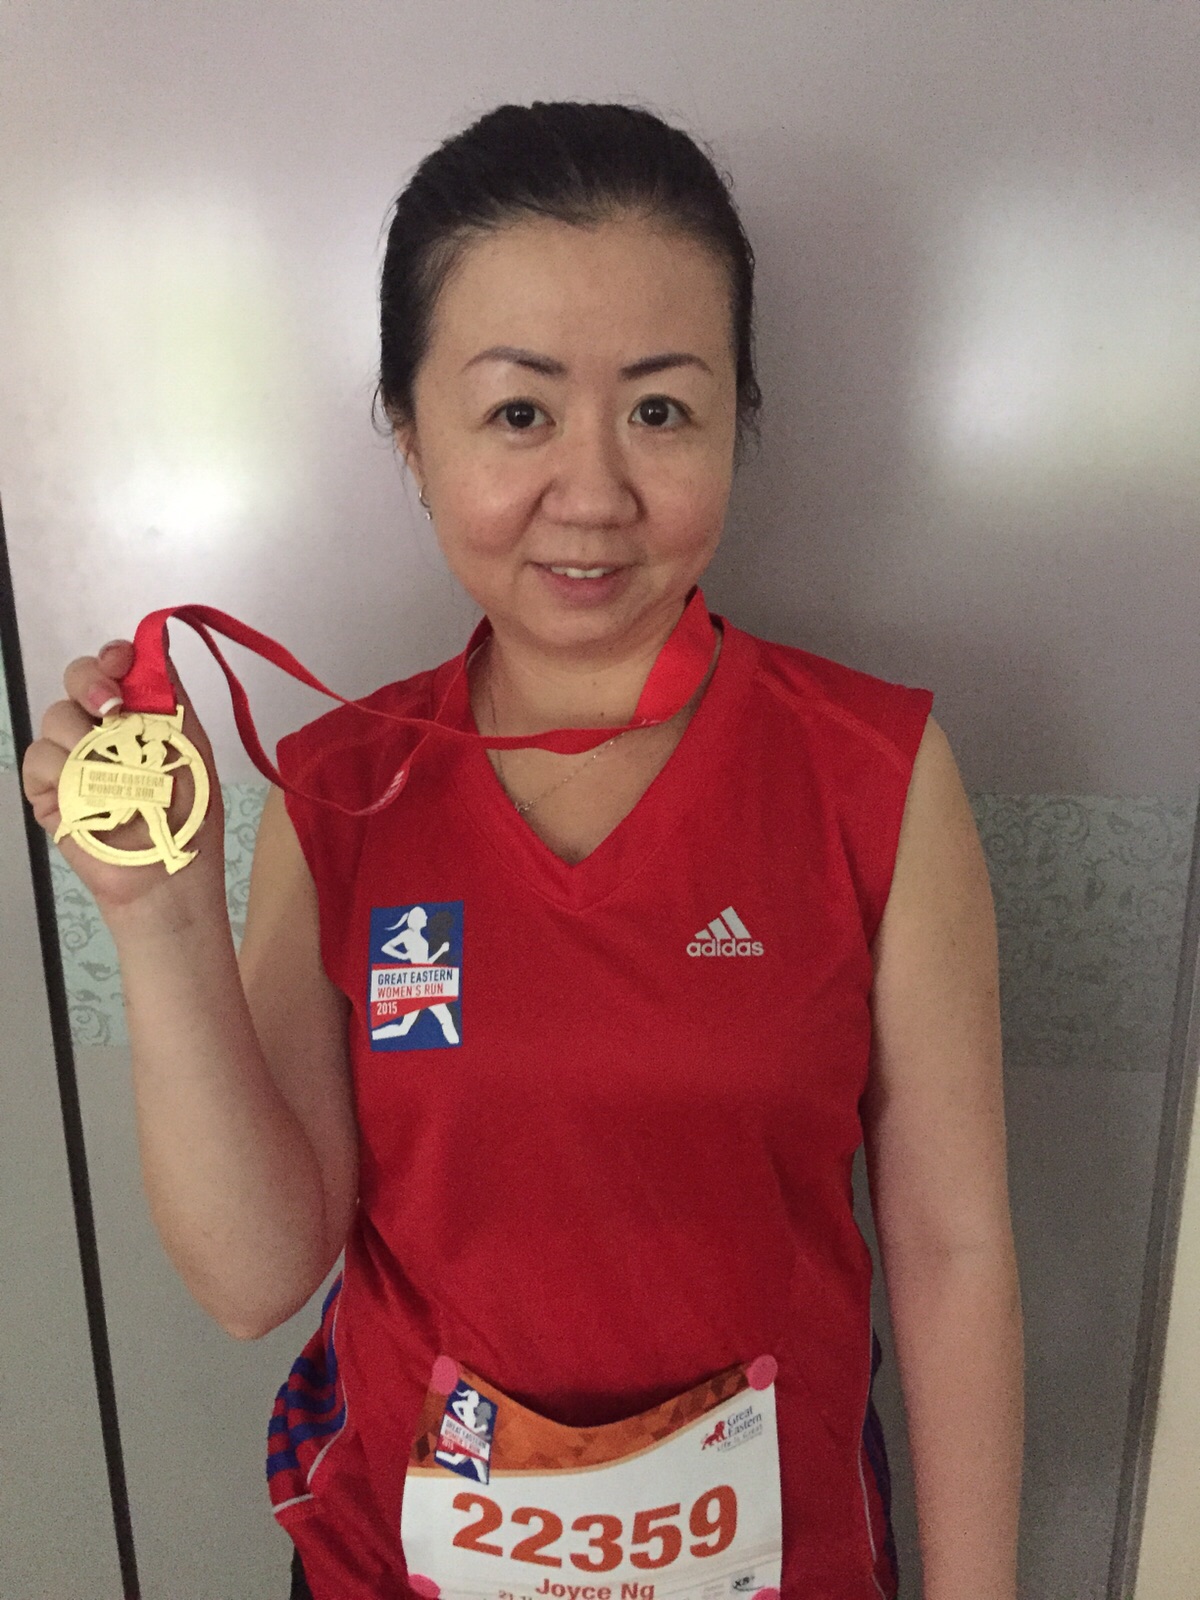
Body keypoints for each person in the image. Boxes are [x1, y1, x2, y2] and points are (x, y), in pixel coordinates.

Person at [23, 101, 1023, 1600]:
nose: (596, 492)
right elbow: (254, 1280)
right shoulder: (340, 790)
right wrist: (158, 917)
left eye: (661, 411)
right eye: (518, 413)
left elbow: (950, 1254)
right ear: (411, 435)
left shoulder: (872, 772)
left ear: (737, 422)